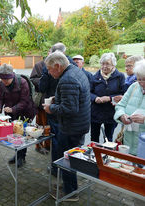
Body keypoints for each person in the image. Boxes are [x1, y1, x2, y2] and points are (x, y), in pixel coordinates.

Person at [43, 51, 90, 200]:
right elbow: (75, 97)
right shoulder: (75, 71)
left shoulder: (67, 79)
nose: (49, 73)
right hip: (79, 124)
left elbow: (70, 109)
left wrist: (51, 108)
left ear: (57, 66)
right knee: (72, 157)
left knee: (68, 160)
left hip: (71, 127)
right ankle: (70, 186)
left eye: (50, 69)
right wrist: (57, 98)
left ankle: (70, 192)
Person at [0, 64, 36, 167]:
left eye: (6, 80)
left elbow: (24, 101)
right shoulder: (1, 83)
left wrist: (13, 109)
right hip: (11, 113)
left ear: (11, 76)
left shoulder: (22, 82)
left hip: (25, 112)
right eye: (2, 80)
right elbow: (0, 98)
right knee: (14, 134)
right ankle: (17, 154)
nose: (5, 82)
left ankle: (22, 156)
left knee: (22, 134)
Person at [90, 53, 125, 142]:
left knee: (108, 138)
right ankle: (94, 154)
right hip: (96, 111)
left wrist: (109, 98)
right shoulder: (95, 76)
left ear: (113, 65)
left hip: (111, 112)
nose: (104, 66)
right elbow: (89, 92)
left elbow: (122, 94)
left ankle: (106, 154)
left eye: (107, 64)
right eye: (102, 64)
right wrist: (95, 98)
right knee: (94, 138)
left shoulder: (120, 77)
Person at [114, 60, 145, 155]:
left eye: (144, 79)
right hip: (128, 143)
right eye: (139, 79)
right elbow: (120, 106)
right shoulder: (134, 87)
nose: (142, 83)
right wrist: (121, 116)